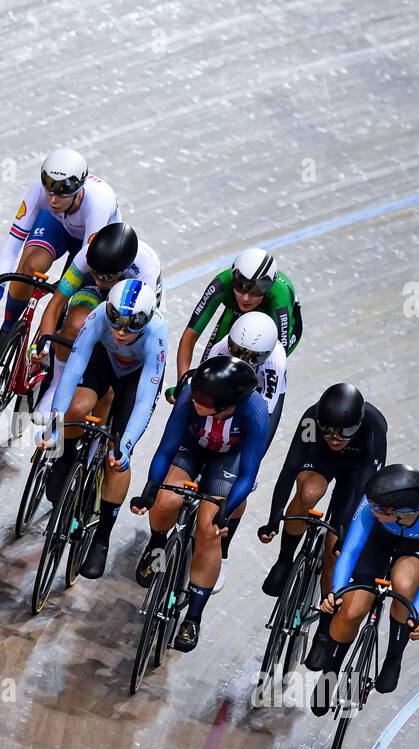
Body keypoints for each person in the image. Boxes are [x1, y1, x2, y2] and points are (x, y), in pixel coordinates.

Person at [130, 356, 267, 652]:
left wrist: (226, 513)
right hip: (192, 447)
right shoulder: (190, 396)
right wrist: (151, 490)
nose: (196, 400)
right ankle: (157, 545)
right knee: (166, 501)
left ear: (226, 404)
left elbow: (248, 473)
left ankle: (193, 616)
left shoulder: (255, 410)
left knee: (208, 530)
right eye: (196, 394)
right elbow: (166, 448)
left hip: (228, 460)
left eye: (204, 399)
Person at [36, 279, 166, 579]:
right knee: (77, 408)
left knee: (115, 458)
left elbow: (145, 401)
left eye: (130, 327)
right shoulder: (97, 317)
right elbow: (71, 371)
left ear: (145, 323)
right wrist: (55, 426)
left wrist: (126, 445)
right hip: (104, 363)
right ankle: (67, 457)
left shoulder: (157, 334)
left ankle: (102, 539)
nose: (120, 332)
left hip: (135, 381)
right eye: (116, 323)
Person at [308, 465, 419, 715]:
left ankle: (394, 657)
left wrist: (415, 616)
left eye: (379, 509)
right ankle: (330, 672)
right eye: (372, 505)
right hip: (379, 539)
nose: (372, 508)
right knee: (351, 611)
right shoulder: (374, 504)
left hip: (416, 545)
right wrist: (337, 591)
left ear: (401, 513)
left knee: (405, 585)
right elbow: (351, 550)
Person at [257, 383, 387, 640]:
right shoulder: (311, 420)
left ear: (358, 425)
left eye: (344, 432)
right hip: (321, 459)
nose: (336, 438)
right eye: (328, 431)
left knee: (334, 550)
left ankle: (325, 627)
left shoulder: (374, 428)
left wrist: (343, 531)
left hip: (356, 473)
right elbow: (290, 467)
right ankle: (285, 560)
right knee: (307, 492)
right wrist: (275, 516)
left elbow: (363, 492)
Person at [0, 150, 120, 366]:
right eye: (49, 192)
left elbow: (85, 261)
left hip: (91, 247)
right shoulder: (39, 191)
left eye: (62, 194)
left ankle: (50, 352)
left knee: (68, 298)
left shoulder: (99, 202)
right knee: (29, 266)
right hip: (58, 225)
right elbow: (13, 243)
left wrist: (63, 291)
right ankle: (8, 327)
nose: (53, 200)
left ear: (79, 189)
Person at [33, 222, 162, 416]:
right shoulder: (87, 255)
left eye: (106, 277)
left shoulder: (146, 273)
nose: (100, 281)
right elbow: (57, 303)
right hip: (100, 288)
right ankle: (56, 386)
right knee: (74, 323)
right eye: (95, 273)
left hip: (133, 298)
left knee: (117, 336)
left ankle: (102, 391)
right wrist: (43, 344)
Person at [198, 311, 287, 592]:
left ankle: (223, 551)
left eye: (252, 356)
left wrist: (250, 463)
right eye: (239, 351)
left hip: (257, 406)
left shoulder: (274, 363)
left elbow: (264, 418)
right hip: (225, 400)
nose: (244, 359)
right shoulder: (221, 347)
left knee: (241, 475)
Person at [175, 248, 301, 388]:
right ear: (232, 277)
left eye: (257, 291)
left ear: (270, 287)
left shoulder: (280, 298)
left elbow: (279, 356)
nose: (246, 298)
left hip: (273, 329)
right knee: (208, 375)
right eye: (240, 286)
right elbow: (190, 336)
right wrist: (182, 383)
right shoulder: (222, 283)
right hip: (235, 315)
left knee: (252, 375)